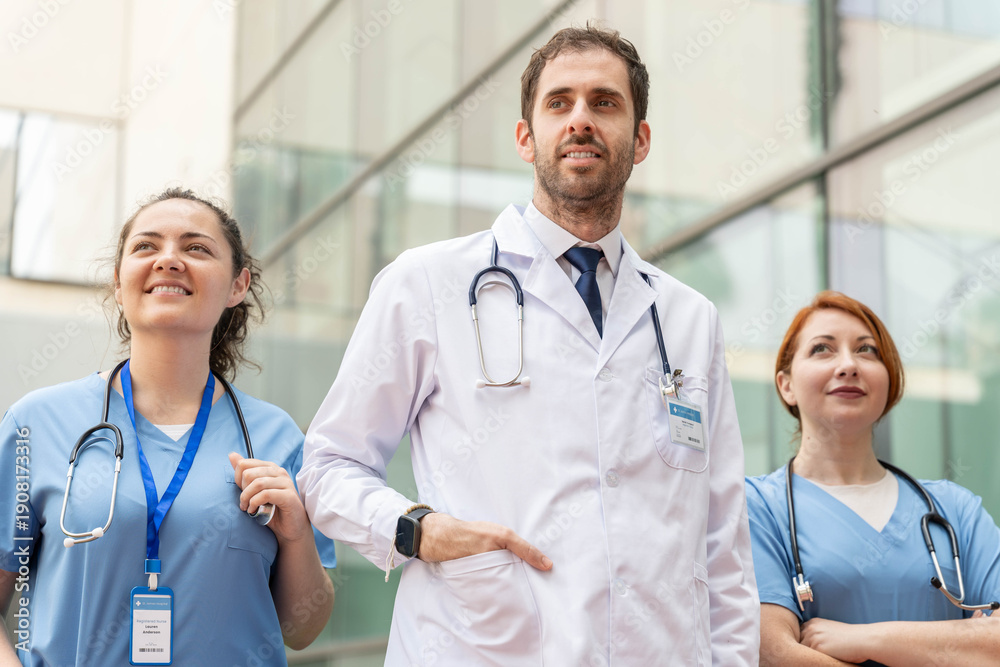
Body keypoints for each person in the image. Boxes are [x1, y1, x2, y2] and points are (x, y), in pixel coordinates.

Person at [298, 24, 758, 665]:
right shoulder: (428, 282)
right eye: (558, 103)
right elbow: (327, 469)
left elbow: (723, 540)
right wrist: (417, 529)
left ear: (641, 139)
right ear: (525, 137)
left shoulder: (688, 317)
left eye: (605, 103)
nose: (581, 120)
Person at [0, 189, 336, 666]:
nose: (169, 260)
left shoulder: (276, 437)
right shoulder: (36, 425)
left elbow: (301, 630)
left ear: (237, 286)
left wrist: (297, 534)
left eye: (196, 248)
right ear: (119, 283)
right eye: (146, 246)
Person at [746, 291, 1000, 666]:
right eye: (822, 349)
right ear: (786, 385)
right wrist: (964, 640)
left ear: (889, 380)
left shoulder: (955, 508)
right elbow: (775, 654)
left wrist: (862, 638)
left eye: (867, 351)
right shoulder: (757, 507)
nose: (849, 365)